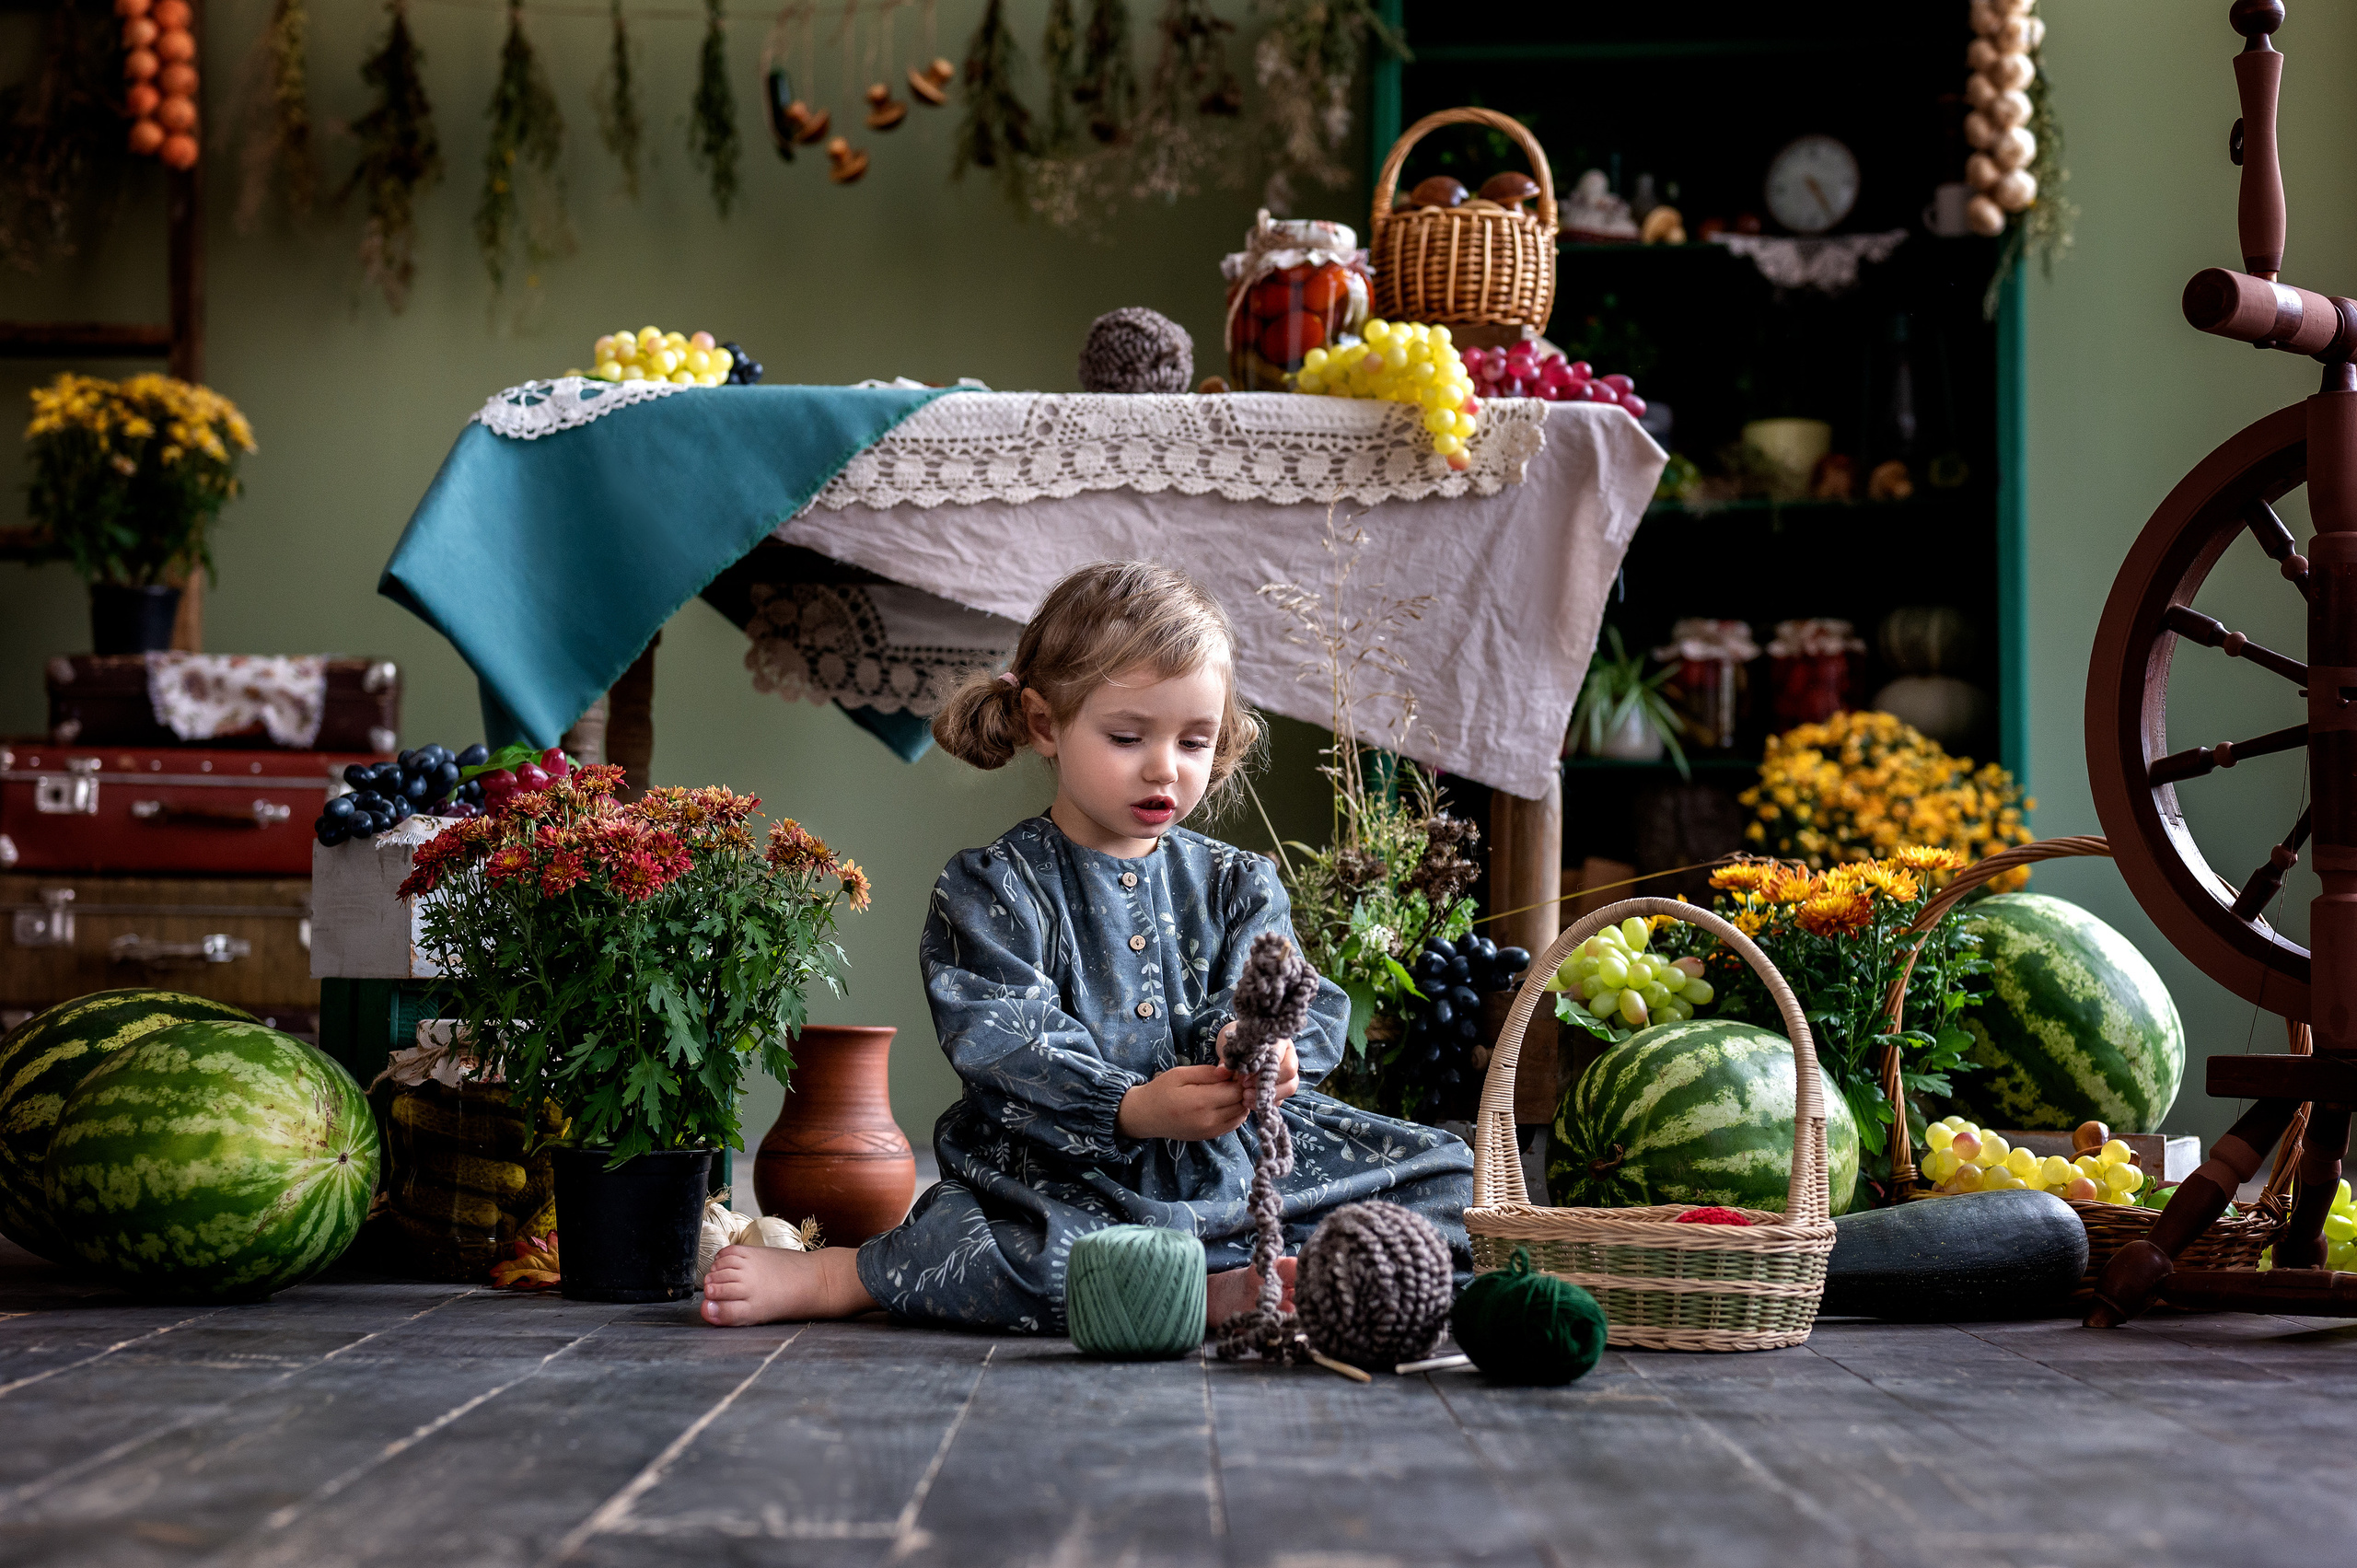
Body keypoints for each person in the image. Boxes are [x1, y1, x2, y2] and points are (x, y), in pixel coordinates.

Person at [703, 561, 1471, 1332]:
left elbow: (1277, 990)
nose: (1165, 767)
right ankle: (851, 1275)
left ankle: (1216, 1277)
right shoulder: (995, 885)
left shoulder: (1240, 881)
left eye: (1195, 740)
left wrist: (1258, 1045)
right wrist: (1130, 1107)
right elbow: (1005, 1039)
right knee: (1003, 1248)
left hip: (1232, 1165)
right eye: (1128, 735)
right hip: (1065, 1177)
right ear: (1044, 723)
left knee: (1451, 1180)